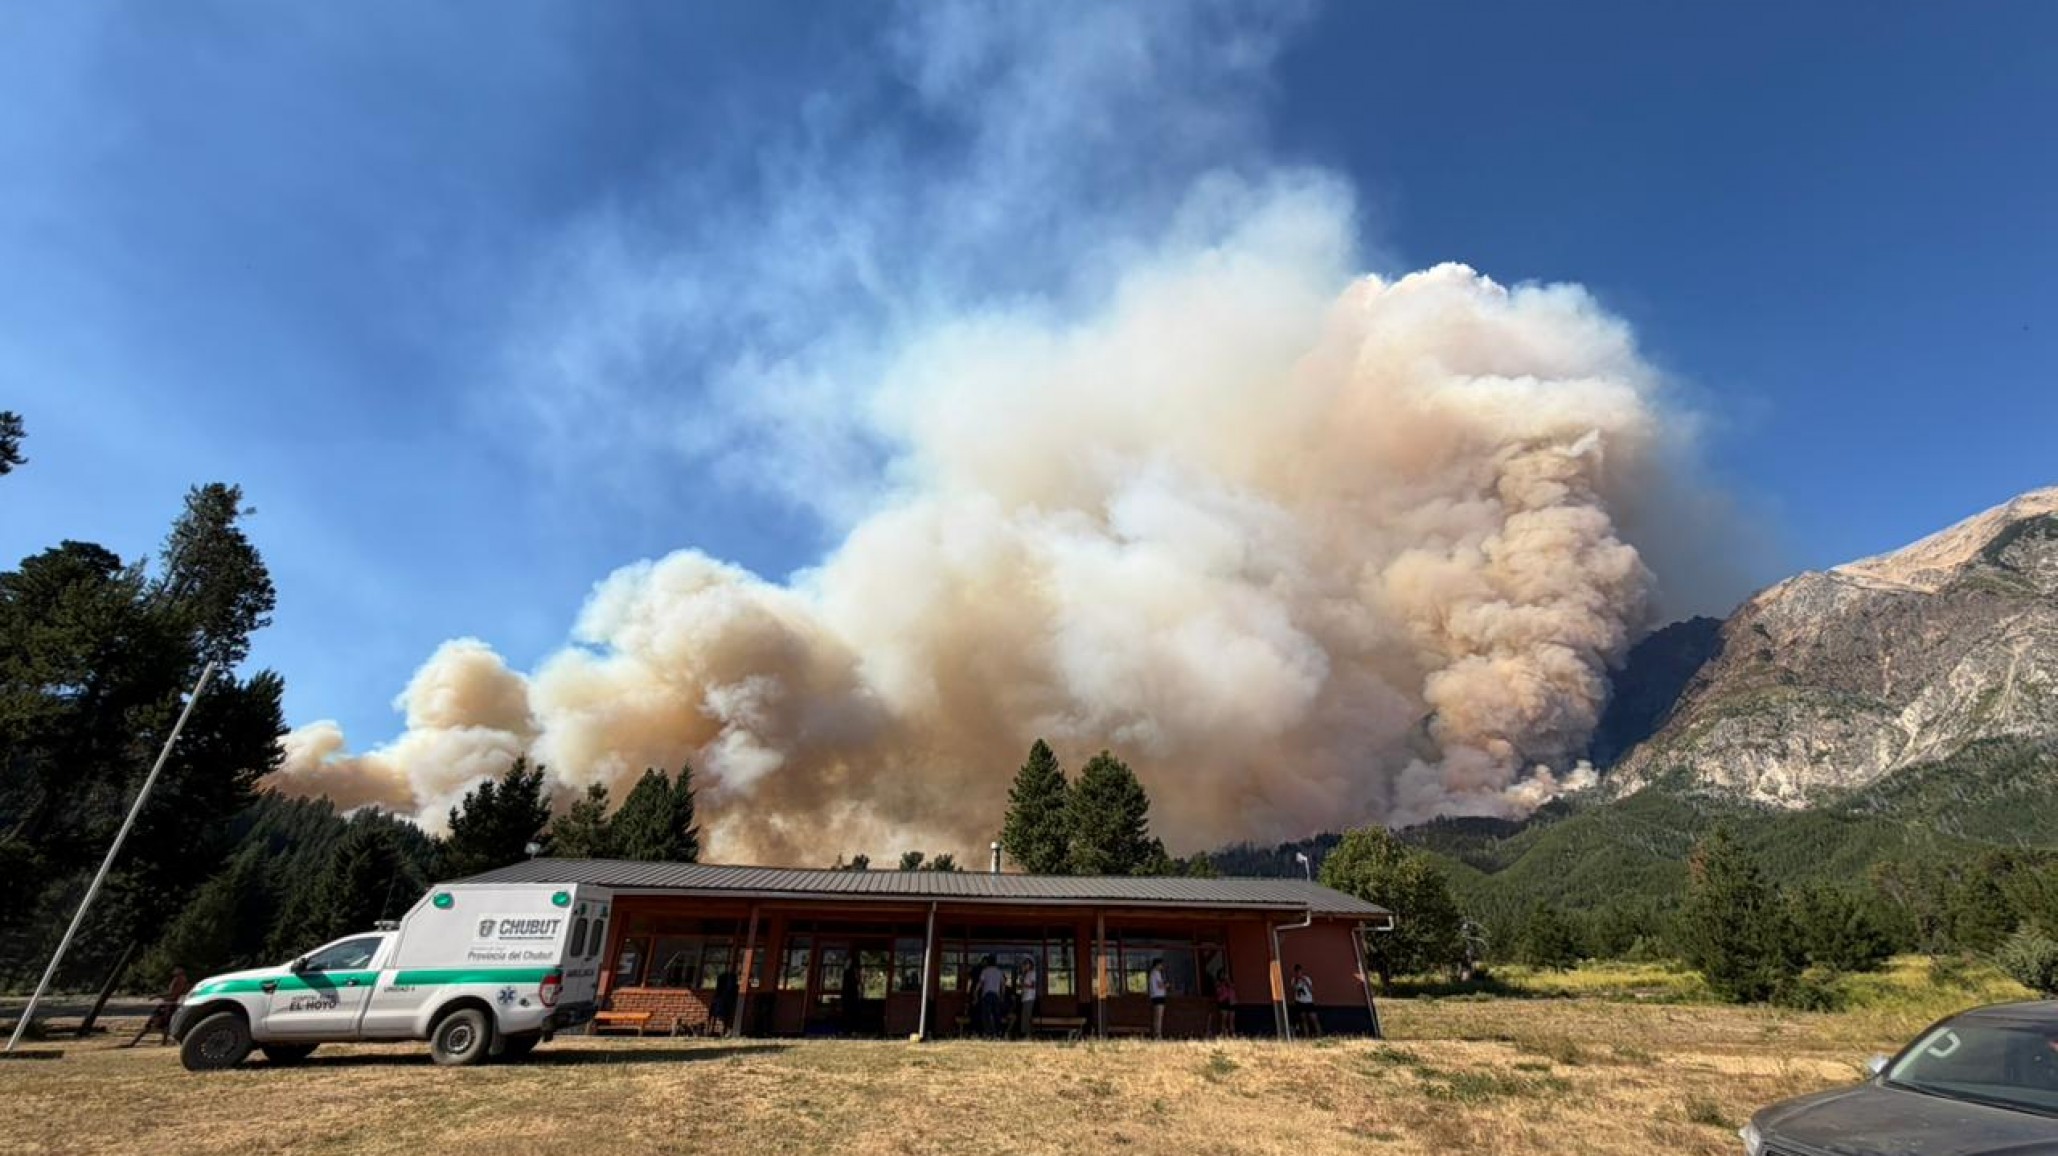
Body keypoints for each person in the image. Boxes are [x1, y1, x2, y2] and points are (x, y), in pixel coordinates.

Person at [124, 966, 191, 1048]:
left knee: (151, 1024)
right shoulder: (184, 980)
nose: (173, 971)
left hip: (167, 1005)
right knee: (165, 1024)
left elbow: (172, 994)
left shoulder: (177, 980)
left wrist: (157, 996)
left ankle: (133, 1043)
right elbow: (180, 992)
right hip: (171, 1004)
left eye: (176, 970)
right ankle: (163, 1043)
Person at [975, 953, 1005, 1038]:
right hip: (995, 995)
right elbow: (1003, 985)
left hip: (986, 995)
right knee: (996, 1014)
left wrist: (975, 991)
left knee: (986, 1015)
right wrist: (1002, 995)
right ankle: (998, 1032)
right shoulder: (999, 971)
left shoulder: (985, 971)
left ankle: (988, 1033)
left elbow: (980, 983)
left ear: (988, 962)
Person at [1291, 964, 1319, 1038]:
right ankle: (1306, 1036)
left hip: (1308, 1002)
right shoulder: (1293, 980)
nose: (1298, 974)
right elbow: (1294, 989)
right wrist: (1297, 981)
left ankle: (1319, 1035)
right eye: (1297, 972)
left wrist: (1305, 982)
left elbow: (1312, 990)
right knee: (1303, 1019)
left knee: (1314, 1019)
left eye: (1299, 972)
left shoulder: (1307, 979)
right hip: (1300, 1002)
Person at [1015, 955, 1039, 1039]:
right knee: (1024, 1016)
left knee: (1028, 1015)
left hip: (1029, 997)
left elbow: (1033, 985)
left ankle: (1029, 1033)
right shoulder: (1026, 974)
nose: (1025, 966)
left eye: (1027, 964)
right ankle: (1025, 1033)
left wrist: (1023, 985)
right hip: (1024, 997)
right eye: (1024, 964)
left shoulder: (1032, 973)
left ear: (1030, 965)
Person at [840, 957, 863, 1036]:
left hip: (852, 996)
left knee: (852, 1013)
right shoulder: (848, 973)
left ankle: (852, 1030)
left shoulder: (851, 973)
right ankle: (849, 1030)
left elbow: (857, 983)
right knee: (849, 1013)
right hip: (849, 996)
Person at [1148, 958, 1168, 1039]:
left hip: (1154, 996)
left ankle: (1156, 1033)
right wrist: (1167, 985)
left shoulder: (1152, 973)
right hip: (1159, 996)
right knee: (1159, 1016)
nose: (1162, 966)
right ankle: (1158, 1034)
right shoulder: (1156, 973)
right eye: (1161, 964)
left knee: (1156, 1016)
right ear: (1157, 965)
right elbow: (1160, 985)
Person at [1213, 970, 1237, 1038]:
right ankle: (1223, 1032)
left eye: (1225, 974)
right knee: (1224, 1018)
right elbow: (1218, 991)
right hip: (1223, 1001)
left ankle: (1232, 1032)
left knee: (1232, 1018)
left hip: (1231, 1002)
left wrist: (1228, 982)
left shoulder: (1229, 983)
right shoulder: (1218, 983)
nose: (1224, 976)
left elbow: (1233, 987)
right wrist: (1222, 986)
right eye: (1222, 974)